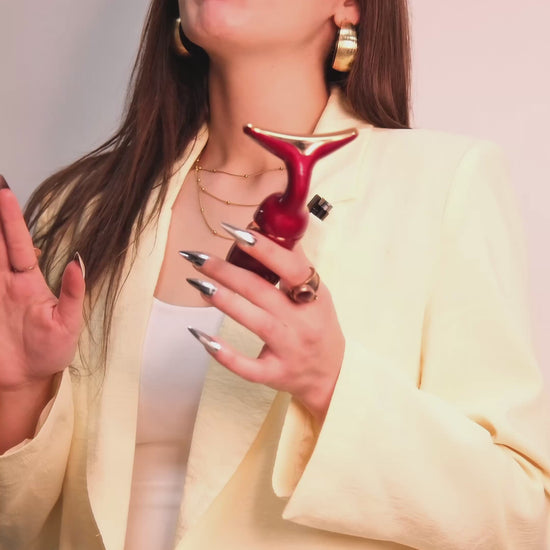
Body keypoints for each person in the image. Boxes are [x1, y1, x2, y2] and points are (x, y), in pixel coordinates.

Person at [1, 0, 549, 549]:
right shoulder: (83, 208)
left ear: (348, 6)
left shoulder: (443, 184)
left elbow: (524, 515)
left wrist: (331, 383)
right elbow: (22, 525)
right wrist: (20, 392)